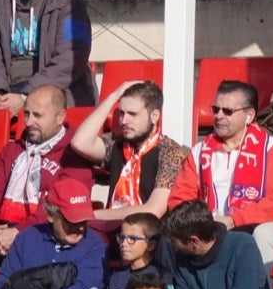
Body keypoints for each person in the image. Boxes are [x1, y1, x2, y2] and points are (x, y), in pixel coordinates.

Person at [71, 80, 198, 222]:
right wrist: (113, 96)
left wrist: (92, 215)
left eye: (133, 114)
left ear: (154, 116)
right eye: (121, 113)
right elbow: (79, 143)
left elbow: (153, 210)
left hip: (148, 236)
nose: (124, 120)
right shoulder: (117, 144)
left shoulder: (170, 152)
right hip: (111, 230)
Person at [0, 84, 93, 254]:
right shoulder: (12, 150)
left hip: (46, 240)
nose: (28, 122)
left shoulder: (74, 155)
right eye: (26, 114)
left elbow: (61, 208)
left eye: (38, 115)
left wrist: (18, 233)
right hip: (2, 237)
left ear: (60, 116)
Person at [191, 80, 273, 229]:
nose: (218, 116)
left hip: (248, 229)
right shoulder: (199, 150)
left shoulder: (272, 149)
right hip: (202, 229)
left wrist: (232, 220)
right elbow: (181, 198)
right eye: (215, 109)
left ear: (249, 116)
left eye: (227, 111)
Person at [100, 211, 161, 289]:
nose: (124, 244)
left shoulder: (161, 275)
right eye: (121, 238)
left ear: (151, 245)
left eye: (132, 239)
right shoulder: (116, 278)